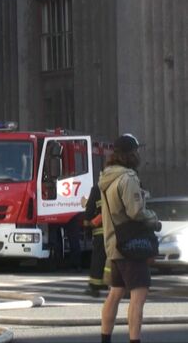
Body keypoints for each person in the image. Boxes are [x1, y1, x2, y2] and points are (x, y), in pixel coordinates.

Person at [99, 134, 159, 343]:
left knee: (115, 294)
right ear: (130, 154)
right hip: (132, 246)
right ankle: (135, 340)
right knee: (138, 297)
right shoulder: (128, 178)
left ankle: (105, 339)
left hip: (115, 245)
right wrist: (153, 218)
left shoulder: (107, 177)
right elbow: (135, 212)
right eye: (137, 150)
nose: (139, 154)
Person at [84, 184, 108, 297]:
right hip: (119, 230)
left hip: (101, 232)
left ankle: (95, 286)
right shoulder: (124, 183)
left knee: (98, 259)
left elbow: (89, 209)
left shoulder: (98, 188)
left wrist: (87, 225)